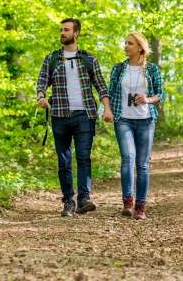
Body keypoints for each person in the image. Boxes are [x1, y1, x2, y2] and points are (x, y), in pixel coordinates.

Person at [37, 18, 114, 217]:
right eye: (61, 30)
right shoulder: (51, 58)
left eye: (66, 30)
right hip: (59, 115)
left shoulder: (89, 60)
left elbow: (101, 86)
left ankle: (84, 199)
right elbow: (42, 82)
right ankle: (68, 202)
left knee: (83, 157)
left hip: (85, 115)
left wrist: (107, 109)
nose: (62, 33)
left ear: (76, 33)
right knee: (63, 161)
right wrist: (41, 97)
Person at [108, 32, 164, 220]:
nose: (125, 46)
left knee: (143, 164)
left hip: (146, 120)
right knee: (127, 158)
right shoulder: (118, 69)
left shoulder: (152, 69)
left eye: (129, 43)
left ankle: (140, 207)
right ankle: (127, 203)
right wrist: (107, 111)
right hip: (123, 118)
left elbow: (160, 94)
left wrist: (147, 99)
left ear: (140, 47)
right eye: (125, 43)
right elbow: (110, 92)